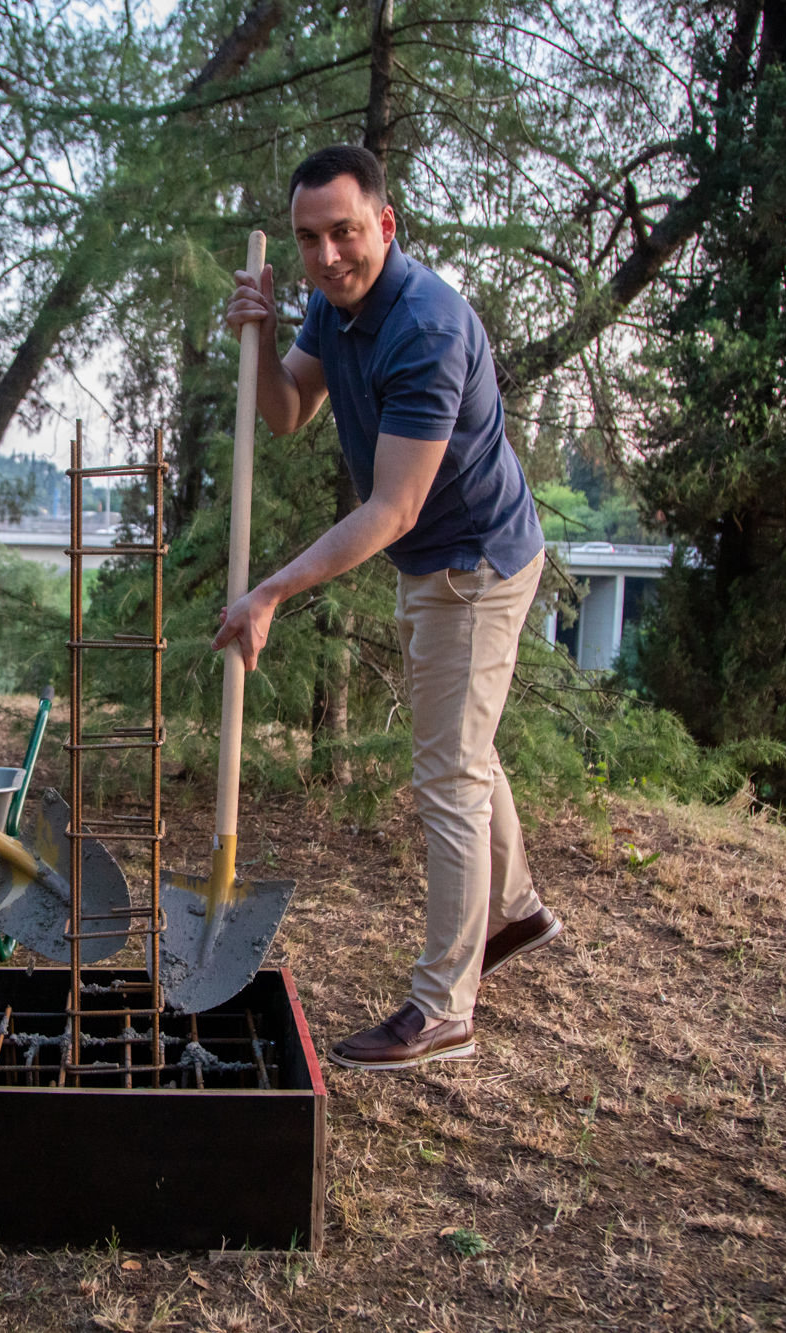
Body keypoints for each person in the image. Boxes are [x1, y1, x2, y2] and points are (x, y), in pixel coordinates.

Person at [218, 144, 560, 1072]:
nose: (327, 255)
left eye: (345, 234)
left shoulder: (426, 327)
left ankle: (445, 1007)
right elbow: (289, 412)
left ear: (385, 226)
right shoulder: (336, 310)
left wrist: (271, 592)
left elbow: (393, 506)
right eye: (309, 240)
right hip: (434, 553)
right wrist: (255, 338)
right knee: (466, 745)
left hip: (474, 562)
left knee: (447, 774)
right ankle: (518, 904)